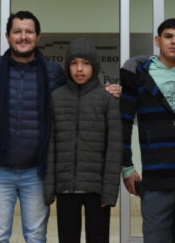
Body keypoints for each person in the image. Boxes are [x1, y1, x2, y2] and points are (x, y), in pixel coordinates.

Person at [0, 11, 64, 243]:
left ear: (38, 36)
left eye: (29, 31)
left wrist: (111, 91)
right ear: (8, 36)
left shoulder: (53, 73)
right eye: (17, 31)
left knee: (36, 236)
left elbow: (75, 99)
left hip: (37, 171)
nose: (23, 36)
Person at [120, 18, 175, 243]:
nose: (174, 42)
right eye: (168, 37)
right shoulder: (139, 76)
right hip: (156, 177)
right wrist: (127, 166)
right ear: (158, 40)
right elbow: (124, 122)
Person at [44, 38, 122, 243]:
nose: (79, 69)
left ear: (94, 66)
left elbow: (114, 148)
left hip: (97, 189)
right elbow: (50, 145)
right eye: (74, 63)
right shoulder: (56, 97)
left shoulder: (107, 98)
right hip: (65, 187)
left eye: (86, 63)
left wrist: (109, 192)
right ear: (67, 66)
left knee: (98, 238)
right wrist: (49, 187)